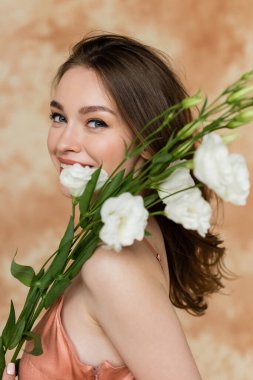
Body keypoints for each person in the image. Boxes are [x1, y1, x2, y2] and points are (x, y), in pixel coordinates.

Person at [3, 33, 226, 380]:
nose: (64, 143)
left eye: (96, 122)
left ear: (149, 144)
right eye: (59, 117)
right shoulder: (131, 231)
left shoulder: (112, 265)